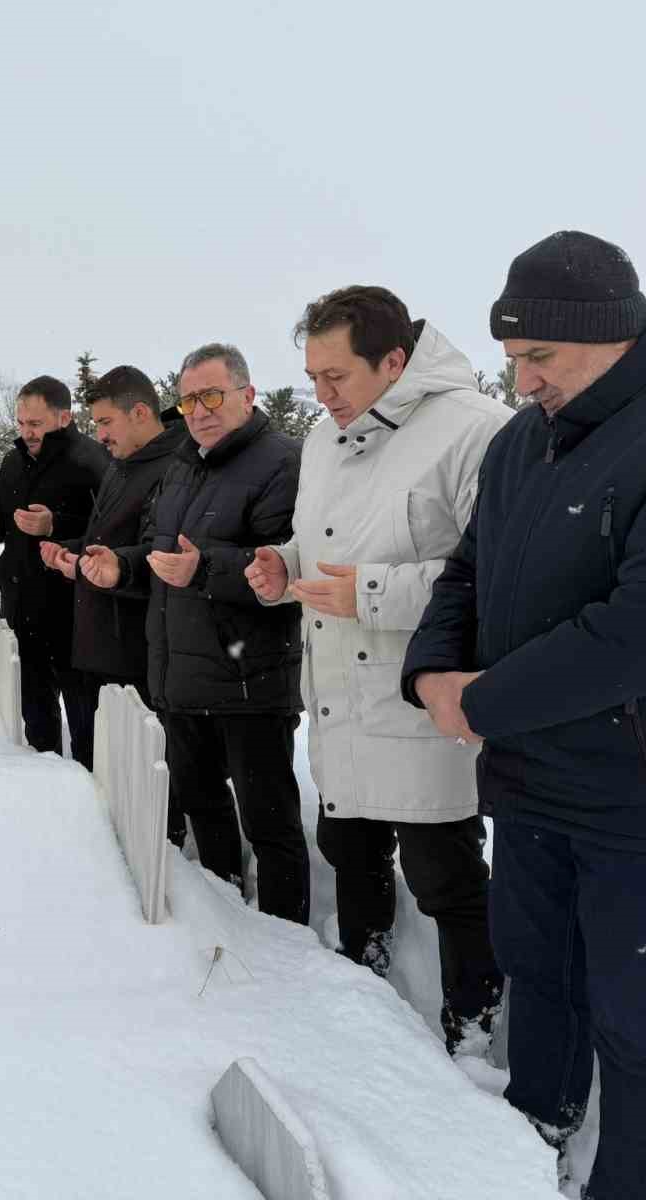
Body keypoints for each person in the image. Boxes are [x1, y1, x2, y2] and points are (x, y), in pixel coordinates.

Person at [402, 231, 646, 1199]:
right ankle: (529, 1145)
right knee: (541, 988)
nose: (521, 382)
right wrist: (432, 666)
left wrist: (479, 700)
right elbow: (468, 569)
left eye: (538, 358)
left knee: (637, 1025)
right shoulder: (526, 439)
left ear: (613, 336)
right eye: (512, 360)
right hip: (531, 780)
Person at [244, 286, 510, 1053]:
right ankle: (361, 984)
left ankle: (474, 1028)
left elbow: (494, 578)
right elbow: (319, 543)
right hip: (337, 699)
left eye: (337, 376)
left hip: (419, 704)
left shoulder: (475, 431)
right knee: (351, 855)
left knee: (446, 880)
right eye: (311, 376)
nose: (320, 395)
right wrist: (281, 563)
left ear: (394, 361)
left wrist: (368, 593)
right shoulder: (325, 439)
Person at [81, 344, 310, 924]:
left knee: (268, 823)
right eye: (188, 399)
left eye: (213, 395)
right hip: (180, 676)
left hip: (248, 682)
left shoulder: (283, 462)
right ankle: (222, 920)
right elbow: (162, 550)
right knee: (206, 811)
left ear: (248, 394)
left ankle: (289, 944)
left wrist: (205, 568)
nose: (200, 410)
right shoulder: (183, 464)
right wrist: (124, 566)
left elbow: (280, 565)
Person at [36, 365, 194, 823]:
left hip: (136, 650)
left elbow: (156, 554)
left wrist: (107, 566)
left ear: (140, 412)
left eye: (106, 422)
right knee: (113, 781)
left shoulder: (172, 467)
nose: (99, 434)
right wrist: (70, 552)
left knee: (148, 786)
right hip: (102, 643)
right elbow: (102, 539)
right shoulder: (124, 465)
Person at [0, 374, 108, 758]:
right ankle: (43, 793)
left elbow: (112, 530)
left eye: (35, 423)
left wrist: (56, 525)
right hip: (21, 607)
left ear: (64, 417)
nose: (27, 432)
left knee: (85, 721)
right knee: (36, 723)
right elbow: (3, 522)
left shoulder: (91, 459)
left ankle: (88, 799)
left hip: (72, 613)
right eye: (21, 423)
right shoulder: (13, 460)